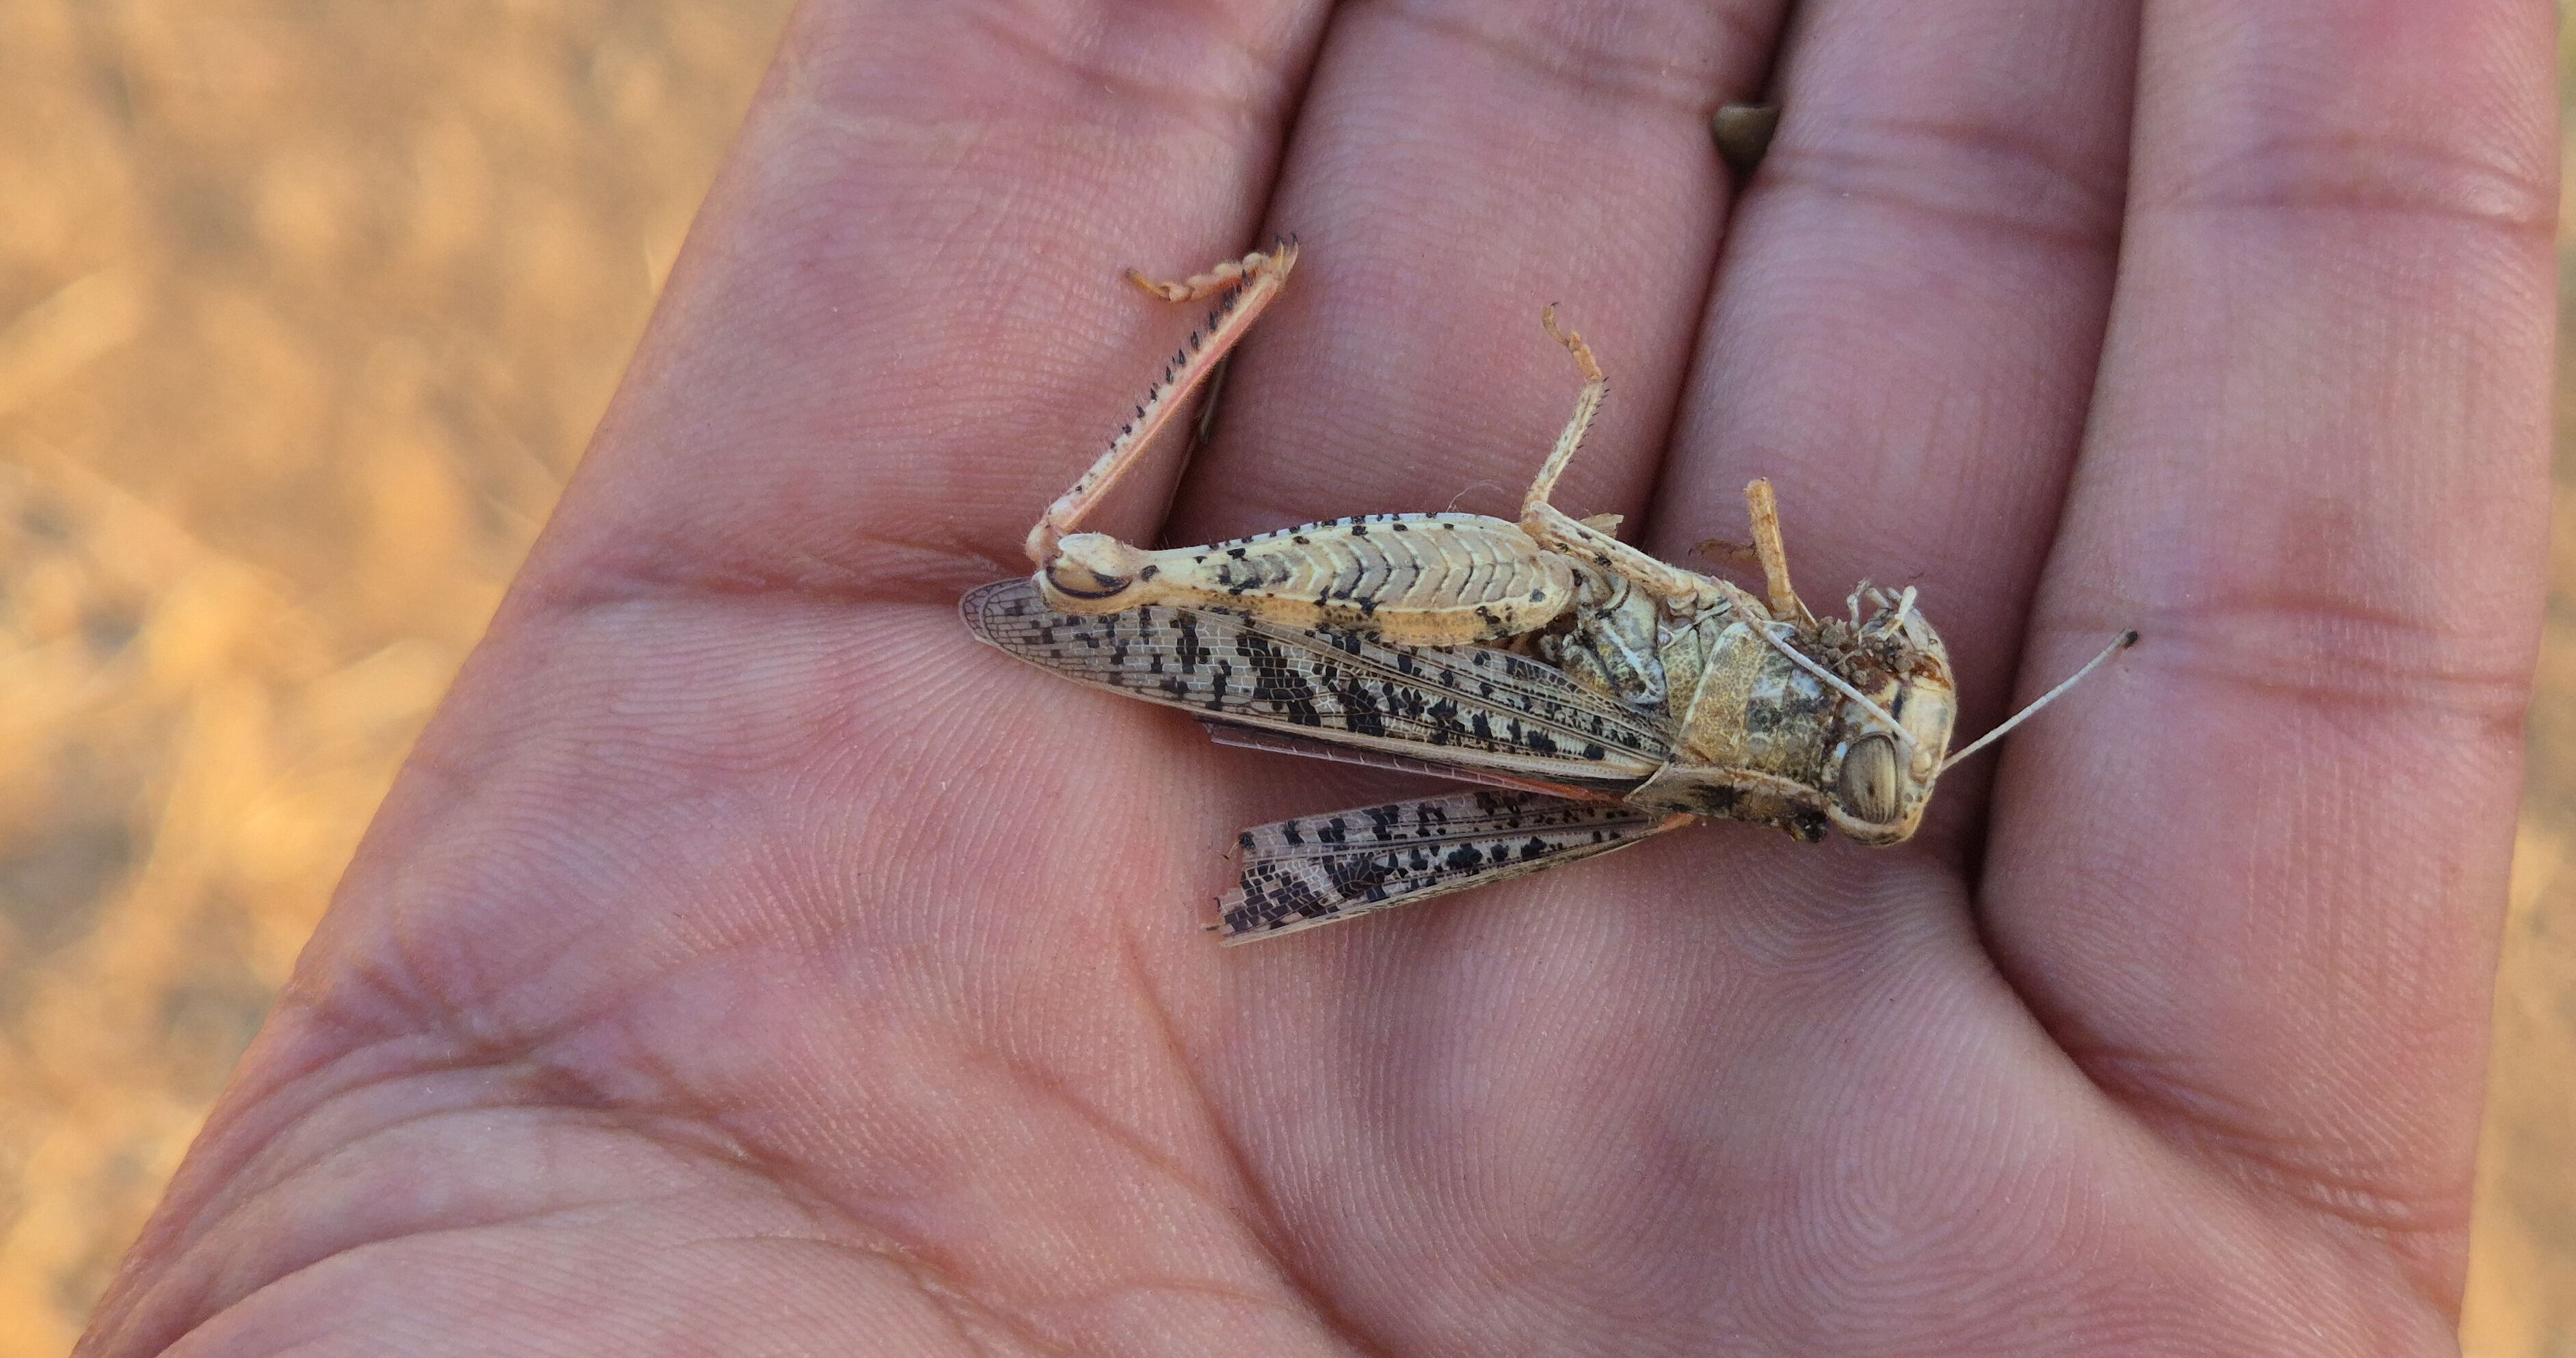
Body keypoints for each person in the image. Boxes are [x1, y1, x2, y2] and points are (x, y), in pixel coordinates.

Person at [80, 0, 2553, 1351]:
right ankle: (1118, 566)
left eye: (1871, 738)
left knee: (1110, 577)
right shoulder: (1775, 666)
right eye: (1888, 710)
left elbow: (1579, 531)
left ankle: (1147, 496)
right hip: (1524, 652)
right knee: (1137, 590)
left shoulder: (1723, 705)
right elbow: (1680, 546)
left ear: (1814, 755)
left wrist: (1609, 487)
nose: (1883, 693)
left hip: (1516, 672)